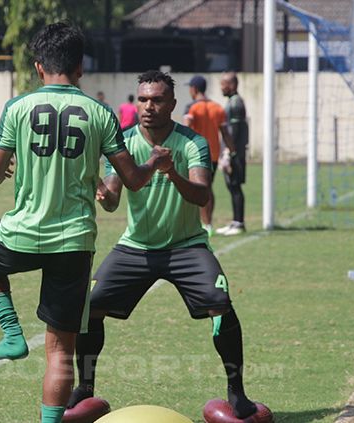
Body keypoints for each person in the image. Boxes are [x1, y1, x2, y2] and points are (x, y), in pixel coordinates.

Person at [0, 22, 172, 423]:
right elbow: (131, 180)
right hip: (75, 242)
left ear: (39, 67)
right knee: (60, 351)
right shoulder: (100, 112)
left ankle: (11, 333)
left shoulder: (17, 107)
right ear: (80, 68)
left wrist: (8, 163)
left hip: (23, 231)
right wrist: (153, 162)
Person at [66, 70, 260, 419]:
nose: (148, 106)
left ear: (172, 104)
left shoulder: (191, 143)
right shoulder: (122, 142)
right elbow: (112, 198)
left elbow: (202, 195)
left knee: (220, 303)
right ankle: (85, 388)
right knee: (89, 306)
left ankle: (237, 391)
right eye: (143, 99)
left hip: (187, 247)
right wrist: (103, 195)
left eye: (157, 100)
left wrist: (172, 173)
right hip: (135, 247)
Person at [183, 75, 228, 237]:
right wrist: (232, 151)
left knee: (195, 188)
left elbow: (186, 129)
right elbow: (225, 132)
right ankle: (208, 223)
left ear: (194, 89)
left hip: (196, 154)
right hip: (213, 154)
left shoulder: (192, 107)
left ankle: (202, 223)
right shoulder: (217, 107)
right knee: (208, 188)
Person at [216, 72, 249, 236]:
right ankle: (235, 221)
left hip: (235, 153)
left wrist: (229, 152)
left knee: (235, 186)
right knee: (231, 186)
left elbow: (234, 131)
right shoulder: (231, 101)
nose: (221, 87)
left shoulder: (236, 103)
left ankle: (239, 223)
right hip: (232, 151)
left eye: (224, 84)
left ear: (232, 85)